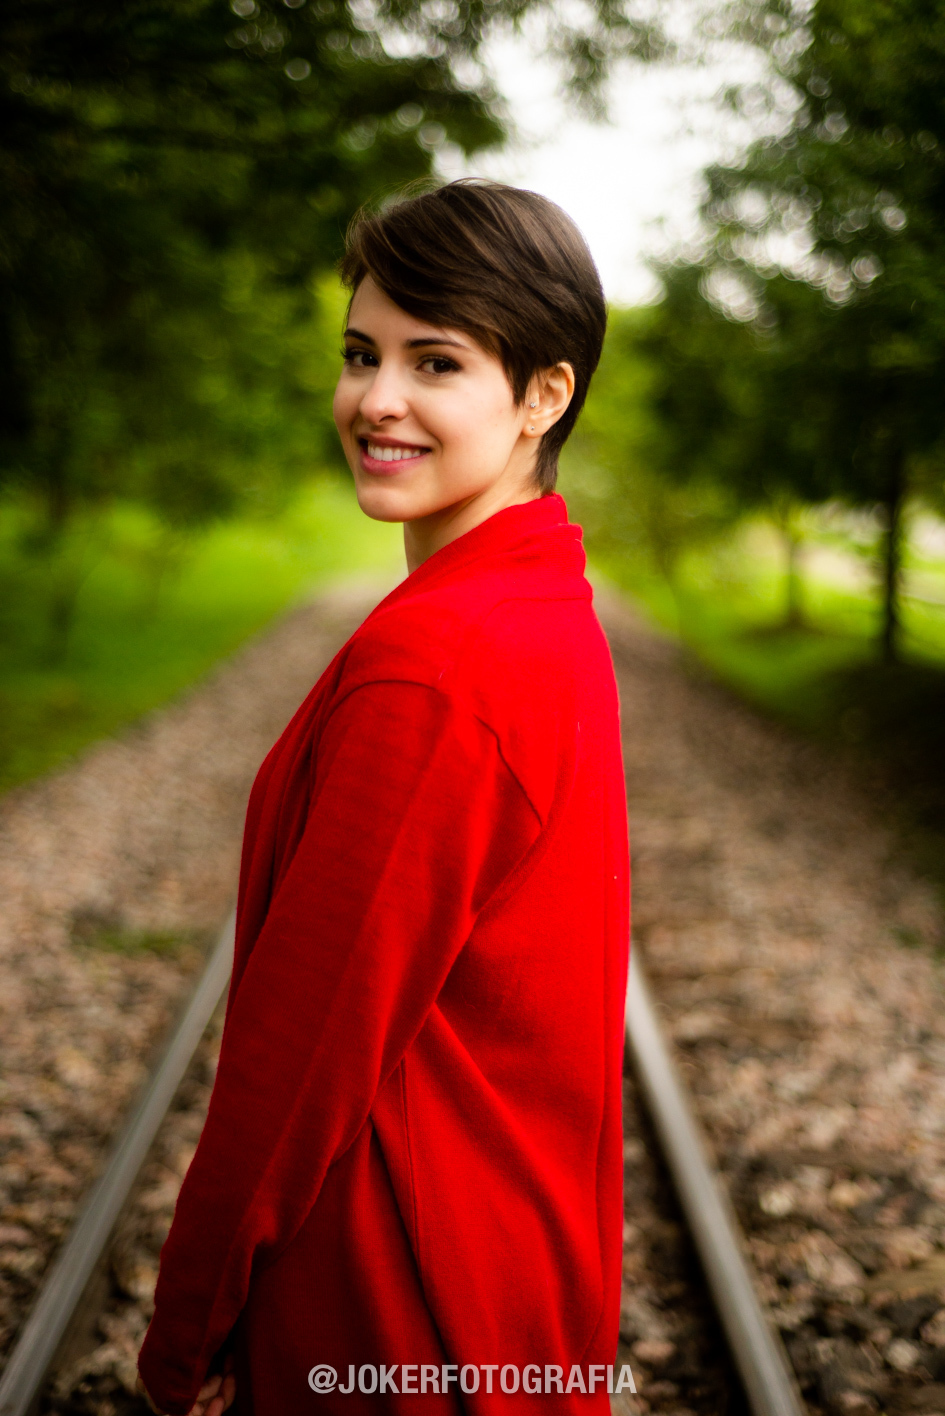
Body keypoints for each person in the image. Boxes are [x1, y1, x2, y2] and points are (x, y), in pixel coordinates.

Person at [136, 179, 629, 1415]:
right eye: (361, 355)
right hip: (494, 1279)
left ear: (542, 395)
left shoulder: (442, 664)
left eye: (437, 361)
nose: (377, 400)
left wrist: (184, 1329)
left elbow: (298, 1055)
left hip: (397, 1306)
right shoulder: (540, 604)